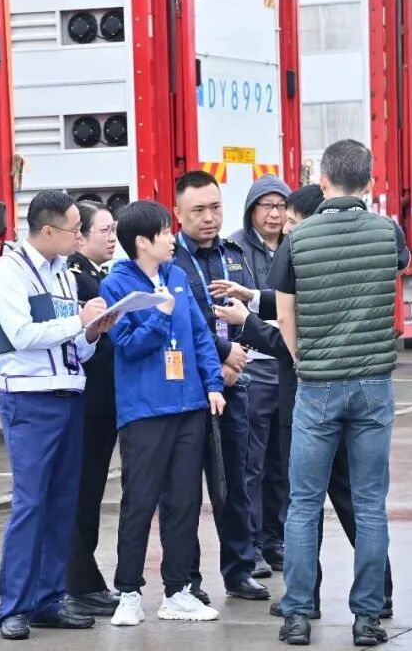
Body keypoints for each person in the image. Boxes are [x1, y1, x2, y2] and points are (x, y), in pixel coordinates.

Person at [217, 183, 395, 623]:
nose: (286, 228)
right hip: (355, 392)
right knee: (358, 503)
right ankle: (373, 597)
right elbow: (295, 300)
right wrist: (253, 298)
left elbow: (288, 331)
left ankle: (302, 601)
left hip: (312, 395)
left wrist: (248, 322)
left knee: (307, 504)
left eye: (293, 220)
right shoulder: (368, 245)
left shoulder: (304, 250)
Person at [270, 140, 410, 647]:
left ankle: (298, 614)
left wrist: (302, 359)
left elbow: (285, 313)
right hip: (374, 383)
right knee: (370, 505)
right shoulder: (388, 232)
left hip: (317, 385)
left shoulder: (297, 239)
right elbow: (395, 273)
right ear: (369, 183)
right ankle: (367, 618)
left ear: (323, 181)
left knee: (304, 504)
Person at [0, 190, 118, 641]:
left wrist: (92, 333)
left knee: (63, 503)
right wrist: (78, 322)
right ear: (47, 230)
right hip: (30, 399)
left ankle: (49, 599)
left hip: (69, 393)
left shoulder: (62, 274)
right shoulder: (9, 272)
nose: (79, 237)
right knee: (31, 504)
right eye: (74, 229)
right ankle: (14, 607)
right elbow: (21, 335)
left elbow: (70, 344)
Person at [99, 200, 226, 626]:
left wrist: (212, 384)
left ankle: (178, 591)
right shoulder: (116, 286)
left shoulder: (177, 276)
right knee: (139, 502)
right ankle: (129, 592)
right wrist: (159, 315)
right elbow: (128, 345)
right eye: (165, 232)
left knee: (185, 502)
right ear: (142, 242)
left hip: (189, 405)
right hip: (145, 410)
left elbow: (200, 335)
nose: (172, 239)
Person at [171, 170, 269, 603]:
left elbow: (247, 313)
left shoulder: (233, 253)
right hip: (189, 388)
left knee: (234, 484)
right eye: (198, 210)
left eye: (215, 208)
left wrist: (237, 355)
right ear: (178, 212)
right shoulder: (170, 260)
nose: (209, 218)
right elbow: (178, 324)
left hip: (234, 384)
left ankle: (239, 569)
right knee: (184, 490)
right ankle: (187, 579)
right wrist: (221, 356)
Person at [227, 174, 293, 578]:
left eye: (280, 205)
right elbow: (233, 308)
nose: (274, 213)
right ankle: (249, 545)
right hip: (253, 368)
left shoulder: (295, 245)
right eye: (266, 205)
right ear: (252, 209)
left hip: (286, 368)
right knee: (249, 464)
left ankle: (275, 539)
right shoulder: (235, 248)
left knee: (282, 464)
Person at [64, 202, 121, 617]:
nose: (112, 237)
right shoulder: (76, 279)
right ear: (80, 235)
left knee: (92, 492)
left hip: (103, 404)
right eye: (105, 230)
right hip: (86, 403)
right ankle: (79, 582)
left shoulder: (98, 276)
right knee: (81, 493)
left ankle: (83, 580)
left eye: (114, 229)